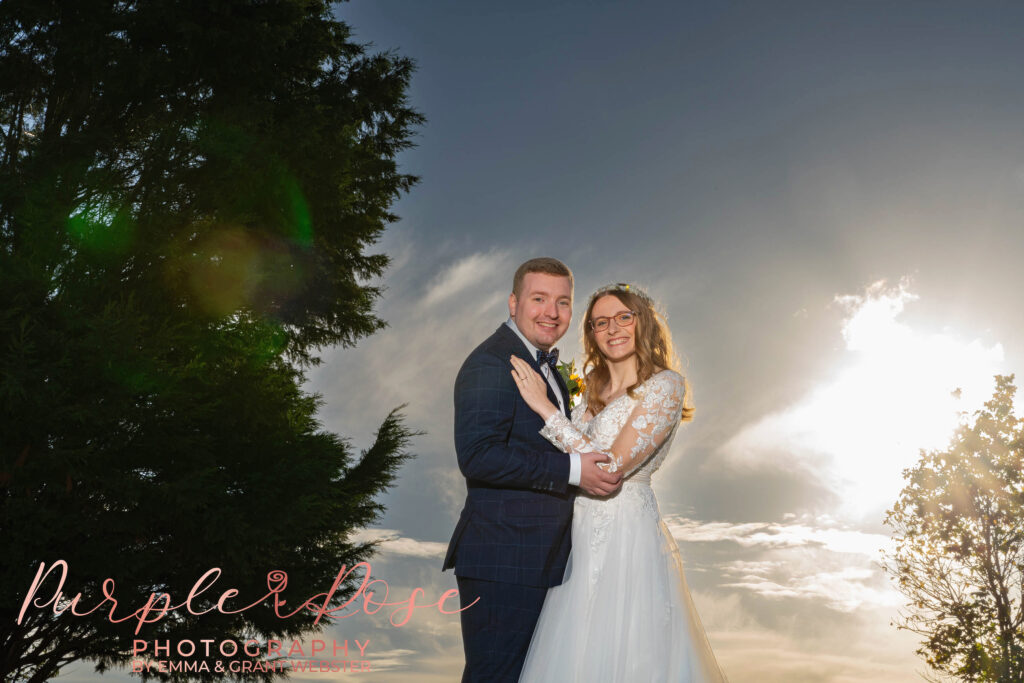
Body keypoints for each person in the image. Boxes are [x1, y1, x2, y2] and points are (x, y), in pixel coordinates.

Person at [510, 283, 729, 682]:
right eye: (600, 322)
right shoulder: (585, 395)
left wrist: (543, 407)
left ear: (642, 322)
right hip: (574, 536)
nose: (613, 328)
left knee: (628, 651)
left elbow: (610, 469)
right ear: (591, 334)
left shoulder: (665, 386)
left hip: (627, 535)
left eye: (623, 317)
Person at [442, 257, 623, 683]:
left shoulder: (547, 370)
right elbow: (479, 456)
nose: (551, 312)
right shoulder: (491, 364)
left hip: (542, 557)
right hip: (504, 557)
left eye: (562, 302)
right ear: (513, 303)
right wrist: (573, 470)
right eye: (539, 299)